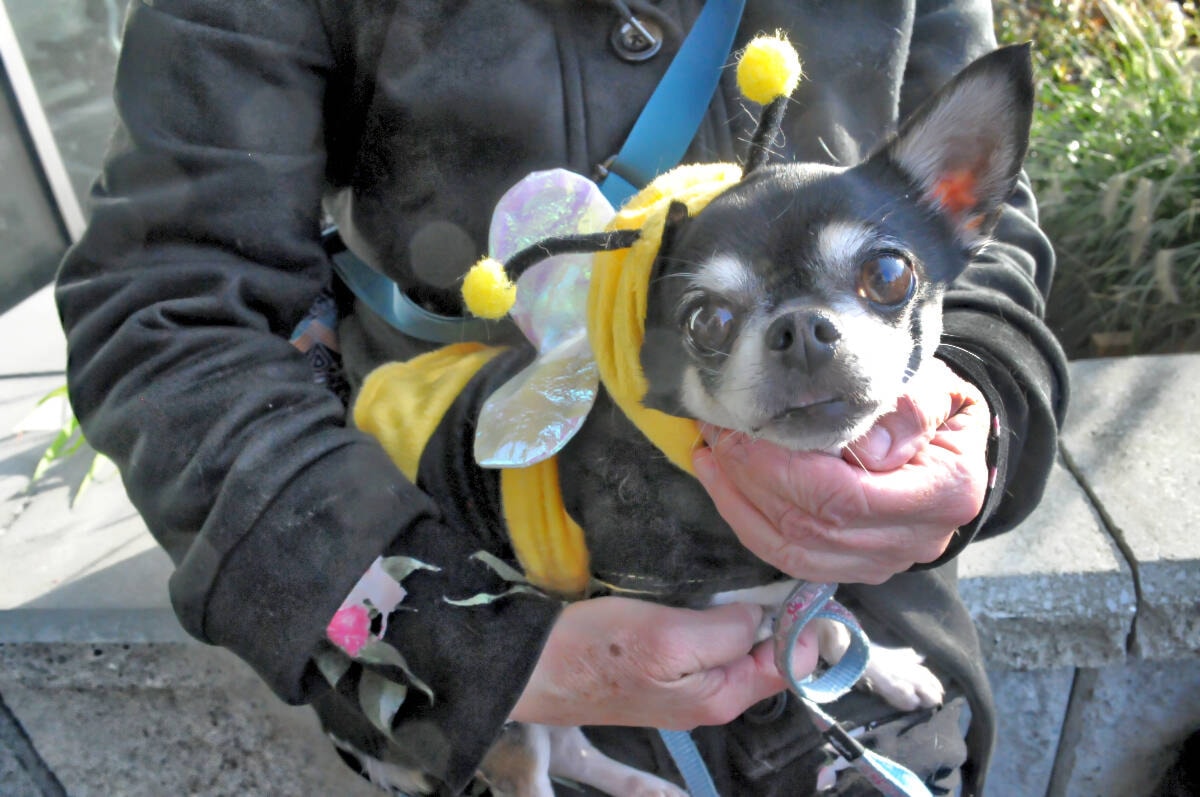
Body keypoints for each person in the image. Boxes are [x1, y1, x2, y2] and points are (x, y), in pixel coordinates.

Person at [55, 1, 1068, 795]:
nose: (808, 335)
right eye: (716, 318)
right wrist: (451, 637)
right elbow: (166, 314)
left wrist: (978, 410)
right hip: (467, 568)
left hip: (869, 659)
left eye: (880, 277)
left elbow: (987, 243)